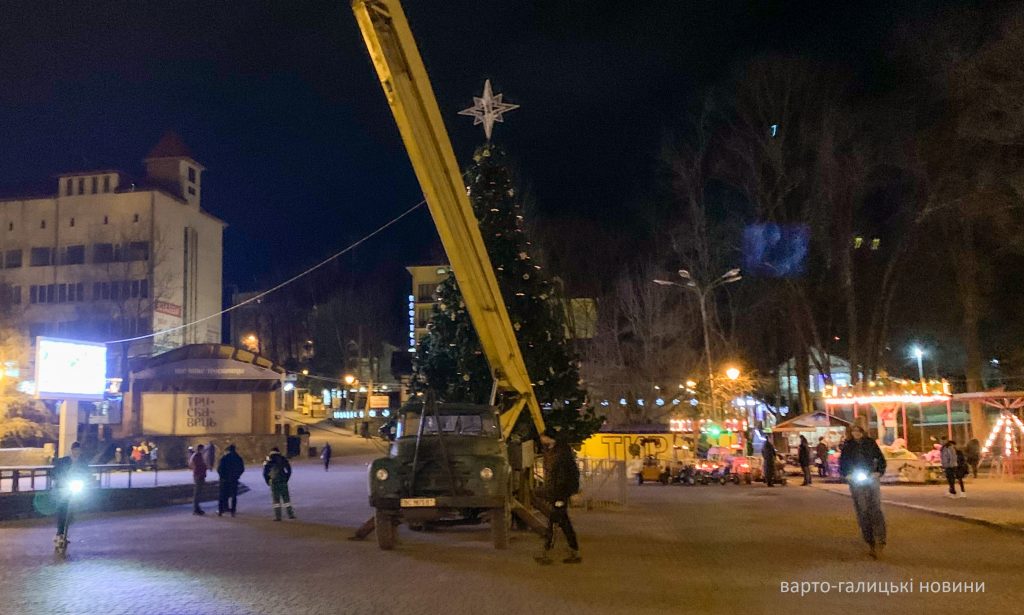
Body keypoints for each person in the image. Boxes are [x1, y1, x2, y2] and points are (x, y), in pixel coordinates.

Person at [839, 424, 887, 558]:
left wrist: (878, 472)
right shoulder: (848, 446)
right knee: (862, 509)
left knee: (876, 508)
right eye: (853, 431)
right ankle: (869, 540)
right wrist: (846, 474)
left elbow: (880, 459)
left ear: (862, 432)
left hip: (871, 476)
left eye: (858, 431)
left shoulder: (870, 443)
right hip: (856, 479)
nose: (856, 433)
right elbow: (842, 463)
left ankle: (880, 538)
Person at [535, 429, 581, 565]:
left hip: (559, 494)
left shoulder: (560, 454)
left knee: (554, 523)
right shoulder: (554, 451)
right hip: (556, 493)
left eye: (544, 437)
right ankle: (574, 551)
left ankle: (547, 553)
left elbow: (562, 477)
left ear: (550, 438)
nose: (542, 439)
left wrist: (561, 495)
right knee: (564, 523)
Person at [52, 441, 89, 547]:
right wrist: (60, 480)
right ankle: (59, 533)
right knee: (62, 508)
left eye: (79, 450)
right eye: (75, 450)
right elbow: (55, 472)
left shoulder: (83, 462)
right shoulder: (63, 461)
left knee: (72, 510)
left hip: (75, 487)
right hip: (63, 487)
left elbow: (87, 473)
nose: (77, 452)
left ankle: (65, 531)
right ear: (72, 450)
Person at [262, 447, 295, 521]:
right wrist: (286, 478)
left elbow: (265, 472)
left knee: (276, 500)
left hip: (274, 482)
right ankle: (290, 514)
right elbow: (289, 470)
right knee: (286, 499)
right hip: (283, 481)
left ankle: (278, 516)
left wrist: (268, 481)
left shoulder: (268, 460)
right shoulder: (283, 459)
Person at [216, 444, 245, 517]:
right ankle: (233, 511)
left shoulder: (224, 458)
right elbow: (242, 468)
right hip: (234, 479)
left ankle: (220, 510)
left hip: (224, 479)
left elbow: (219, 469)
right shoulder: (238, 458)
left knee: (222, 495)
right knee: (233, 495)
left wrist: (222, 476)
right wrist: (237, 476)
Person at [189, 444, 208, 515]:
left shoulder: (197, 455)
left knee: (198, 492)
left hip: (199, 475)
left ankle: (197, 508)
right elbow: (198, 465)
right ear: (201, 449)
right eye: (203, 449)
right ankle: (196, 509)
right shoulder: (197, 456)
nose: (204, 450)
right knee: (197, 492)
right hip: (199, 475)